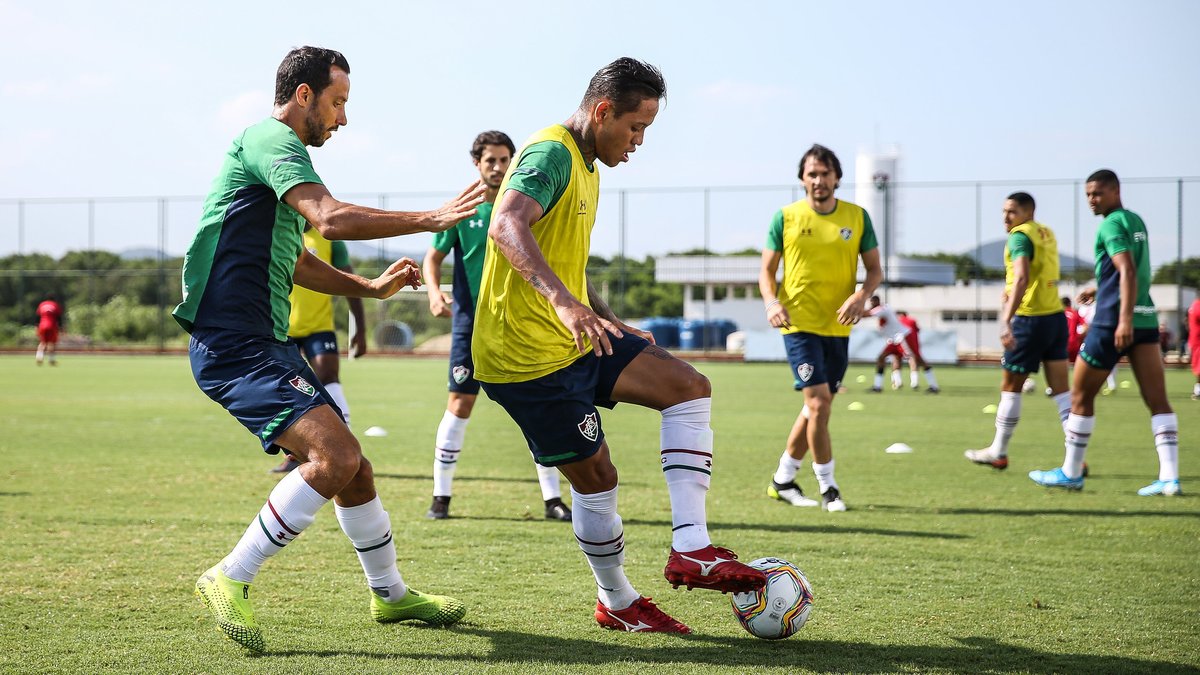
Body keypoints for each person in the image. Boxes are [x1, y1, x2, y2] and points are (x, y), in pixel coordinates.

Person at [174, 46, 485, 653]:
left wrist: (367, 288)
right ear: (304, 95)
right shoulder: (270, 140)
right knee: (335, 457)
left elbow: (296, 261)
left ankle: (391, 597)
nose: (342, 119)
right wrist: (432, 217)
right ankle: (228, 576)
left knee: (355, 470)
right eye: (338, 102)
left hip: (262, 343)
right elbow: (333, 218)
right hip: (234, 345)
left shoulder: (276, 171)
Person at [473, 57, 766, 634]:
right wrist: (563, 305)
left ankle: (693, 546)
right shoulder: (551, 153)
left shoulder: (590, 166)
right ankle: (618, 600)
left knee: (689, 387)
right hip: (524, 359)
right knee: (599, 480)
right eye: (636, 128)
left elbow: (567, 263)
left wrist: (608, 317)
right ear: (602, 111)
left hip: (578, 337)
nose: (638, 143)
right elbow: (506, 226)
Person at [422, 130, 571, 522]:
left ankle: (553, 499)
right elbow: (432, 259)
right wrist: (434, 293)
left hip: (517, 323)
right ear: (477, 163)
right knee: (459, 403)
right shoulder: (463, 210)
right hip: (470, 324)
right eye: (491, 160)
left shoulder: (524, 207)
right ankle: (441, 496)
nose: (499, 167)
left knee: (538, 407)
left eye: (506, 160)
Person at [1029, 170, 1180, 496]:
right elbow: (1133, 271)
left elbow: (1125, 269)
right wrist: (1100, 289)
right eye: (1087, 194)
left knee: (1080, 397)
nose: (1091, 200)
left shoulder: (1109, 224)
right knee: (1157, 400)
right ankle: (1169, 478)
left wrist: (1121, 319)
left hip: (1112, 324)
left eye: (1097, 193)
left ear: (1115, 190)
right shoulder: (1134, 220)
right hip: (1145, 318)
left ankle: (1071, 472)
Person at [761, 144, 883, 512]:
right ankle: (829, 487)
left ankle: (782, 479)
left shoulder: (858, 217)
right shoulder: (785, 217)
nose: (818, 180)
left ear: (837, 178)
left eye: (825, 173)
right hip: (798, 324)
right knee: (818, 403)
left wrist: (862, 296)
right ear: (802, 179)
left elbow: (875, 270)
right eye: (812, 174)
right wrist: (771, 302)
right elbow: (766, 272)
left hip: (839, 327)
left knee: (818, 407)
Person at [966, 192, 1071, 470]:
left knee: (1011, 388)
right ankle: (1075, 459)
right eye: (1004, 211)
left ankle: (998, 451)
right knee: (1061, 391)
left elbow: (1022, 277)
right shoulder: (1046, 233)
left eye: (1011, 211)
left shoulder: (1019, 237)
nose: (1005, 217)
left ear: (1027, 212)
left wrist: (1005, 320)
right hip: (1055, 318)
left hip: (1030, 319)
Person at [269, 224, 368, 474]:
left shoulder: (330, 239)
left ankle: (347, 447)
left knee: (328, 377)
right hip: (284, 327)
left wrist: (361, 327)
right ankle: (294, 455)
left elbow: (349, 282)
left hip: (319, 326)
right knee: (288, 387)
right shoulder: (283, 232)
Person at [897, 311, 938, 391]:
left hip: (901, 344)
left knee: (897, 360)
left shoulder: (898, 321)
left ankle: (897, 382)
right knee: (914, 361)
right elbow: (918, 330)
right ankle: (914, 383)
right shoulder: (912, 320)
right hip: (912, 344)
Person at [35, 293, 64, 366]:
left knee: (42, 342)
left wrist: (36, 327)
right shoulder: (55, 305)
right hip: (52, 326)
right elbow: (59, 318)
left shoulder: (42, 304)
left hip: (42, 326)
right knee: (52, 343)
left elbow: (37, 317)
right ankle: (52, 359)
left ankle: (39, 356)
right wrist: (61, 328)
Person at [1063, 296, 1086, 364]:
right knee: (1074, 366)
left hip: (1061, 344)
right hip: (1073, 344)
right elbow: (1085, 327)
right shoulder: (1075, 313)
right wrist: (1078, 337)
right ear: (1070, 303)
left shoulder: (1058, 315)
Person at [1188, 297, 1200, 400]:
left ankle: (1197, 390)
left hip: (1195, 341)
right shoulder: (1197, 306)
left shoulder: (1195, 304)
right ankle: (1197, 391)